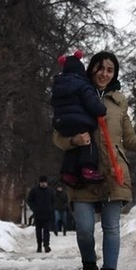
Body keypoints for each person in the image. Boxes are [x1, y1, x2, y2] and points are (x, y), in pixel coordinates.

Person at [52, 50, 136, 270]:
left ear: (115, 74)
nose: (104, 73)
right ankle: (89, 265)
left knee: (112, 228)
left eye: (110, 70)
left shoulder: (120, 101)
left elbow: (131, 139)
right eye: (100, 68)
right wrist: (74, 140)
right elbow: (57, 136)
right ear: (91, 69)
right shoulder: (76, 93)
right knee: (84, 229)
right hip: (82, 171)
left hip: (114, 171)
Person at [50, 50, 107, 187]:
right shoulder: (83, 85)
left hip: (61, 123)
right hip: (80, 121)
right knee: (88, 142)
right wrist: (101, 110)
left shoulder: (58, 87)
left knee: (73, 148)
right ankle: (88, 169)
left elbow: (53, 103)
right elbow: (92, 103)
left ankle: (68, 173)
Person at [26, 175, 55, 253]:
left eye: (44, 182)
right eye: (42, 182)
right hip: (38, 214)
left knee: (46, 230)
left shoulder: (50, 191)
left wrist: (51, 209)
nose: (43, 184)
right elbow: (29, 200)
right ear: (39, 183)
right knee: (38, 231)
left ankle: (46, 245)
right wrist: (34, 208)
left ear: (47, 182)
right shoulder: (34, 191)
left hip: (48, 213)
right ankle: (39, 246)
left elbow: (54, 201)